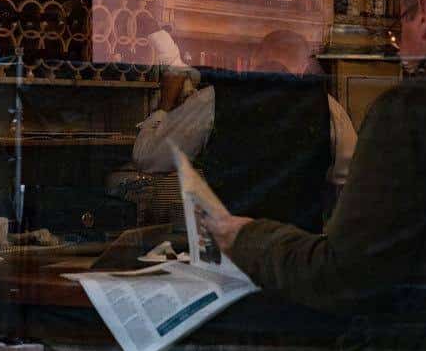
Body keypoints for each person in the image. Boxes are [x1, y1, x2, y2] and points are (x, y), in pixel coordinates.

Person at [200, 0, 426, 351]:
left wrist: (246, 238)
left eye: (400, 21)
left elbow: (345, 275)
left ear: (422, 14)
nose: (400, 43)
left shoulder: (408, 113)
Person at [132, 30, 357, 232]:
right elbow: (354, 184)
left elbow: (148, 158)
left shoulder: (215, 100)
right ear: (303, 68)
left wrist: (164, 106)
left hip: (233, 255)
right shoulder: (328, 110)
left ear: (253, 61)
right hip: (298, 258)